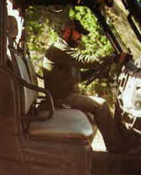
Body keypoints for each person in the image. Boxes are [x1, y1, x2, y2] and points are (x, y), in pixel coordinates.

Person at [41, 19, 127, 154]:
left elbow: (77, 76)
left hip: (65, 96)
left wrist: (95, 72)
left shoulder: (64, 50)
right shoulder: (58, 49)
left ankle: (88, 152)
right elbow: (83, 60)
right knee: (101, 106)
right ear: (68, 31)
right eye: (78, 33)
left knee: (93, 113)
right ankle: (117, 151)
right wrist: (113, 59)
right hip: (61, 99)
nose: (80, 37)